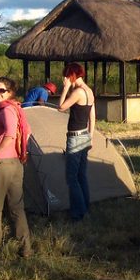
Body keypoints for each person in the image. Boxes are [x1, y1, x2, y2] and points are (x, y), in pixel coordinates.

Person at [0, 76, 33, 258]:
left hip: (2, 164)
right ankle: (25, 248)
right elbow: (27, 133)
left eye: (2, 90)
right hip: (16, 164)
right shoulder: (17, 109)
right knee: (17, 207)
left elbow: (11, 135)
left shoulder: (6, 112)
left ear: (11, 92)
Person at [58, 63, 95, 222]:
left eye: (67, 76)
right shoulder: (89, 91)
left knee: (71, 177)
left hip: (75, 137)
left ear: (72, 75)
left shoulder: (78, 92)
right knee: (81, 175)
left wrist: (66, 88)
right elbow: (92, 116)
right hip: (85, 136)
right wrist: (91, 136)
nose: (65, 79)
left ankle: (78, 213)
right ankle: (85, 208)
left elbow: (61, 107)